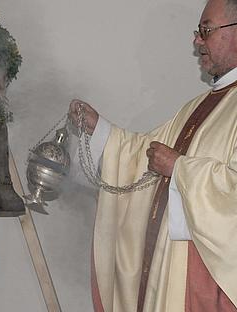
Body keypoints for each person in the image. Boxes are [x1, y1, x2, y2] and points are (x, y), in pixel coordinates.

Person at [69, 0, 237, 311]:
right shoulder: (197, 106)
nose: (197, 40)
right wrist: (101, 130)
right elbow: (144, 151)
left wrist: (179, 168)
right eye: (198, 31)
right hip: (171, 273)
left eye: (206, 30)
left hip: (209, 286)